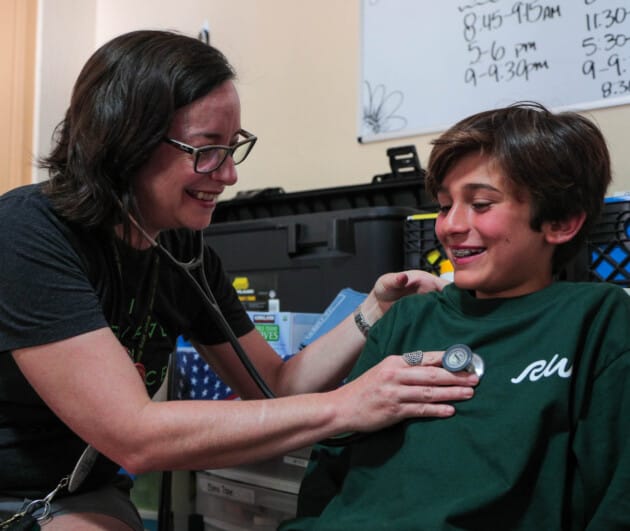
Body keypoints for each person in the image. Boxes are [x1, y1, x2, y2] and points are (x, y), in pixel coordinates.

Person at [0, 30, 479, 531]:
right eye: (207, 150)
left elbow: (275, 385)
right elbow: (135, 436)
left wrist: (376, 309)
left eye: (234, 148)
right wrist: (349, 405)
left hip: (78, 490)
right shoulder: (27, 234)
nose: (228, 175)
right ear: (124, 142)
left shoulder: (177, 246)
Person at [281, 102, 630, 530]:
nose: (449, 226)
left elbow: (616, 501)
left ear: (560, 222)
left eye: (481, 204)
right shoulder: (407, 318)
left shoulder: (597, 321)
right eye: (445, 206)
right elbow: (330, 464)